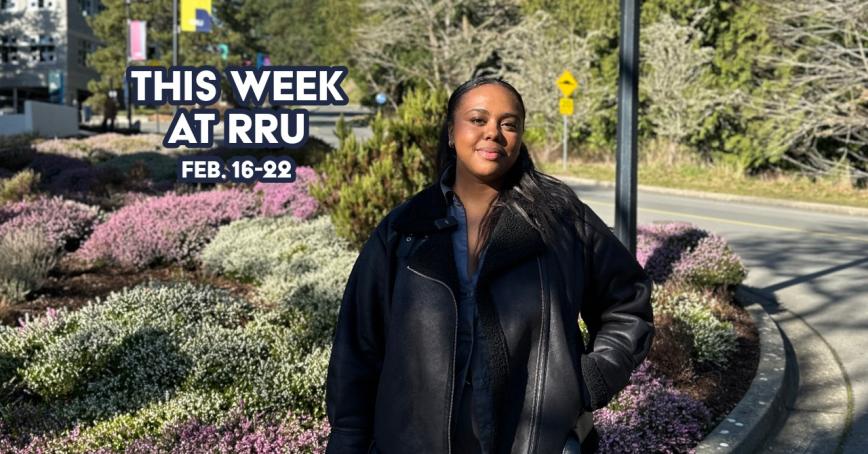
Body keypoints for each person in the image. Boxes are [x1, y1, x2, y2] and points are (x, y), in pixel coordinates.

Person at [326, 77, 654, 454]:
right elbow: (358, 347)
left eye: (509, 124)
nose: (494, 134)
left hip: (536, 441)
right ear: (451, 132)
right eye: (478, 120)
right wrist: (348, 439)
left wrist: (589, 379)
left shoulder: (560, 219)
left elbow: (627, 301)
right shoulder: (405, 229)